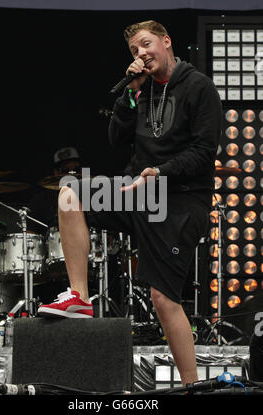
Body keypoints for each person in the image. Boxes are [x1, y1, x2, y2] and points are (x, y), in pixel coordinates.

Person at [38, 20, 222, 386]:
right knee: (70, 192)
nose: (141, 54)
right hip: (139, 190)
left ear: (166, 42)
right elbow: (116, 139)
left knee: (163, 299)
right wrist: (129, 95)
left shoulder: (198, 87)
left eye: (146, 44)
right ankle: (79, 297)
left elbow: (204, 152)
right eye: (135, 50)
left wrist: (162, 171)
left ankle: (191, 387)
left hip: (181, 200)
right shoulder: (143, 89)